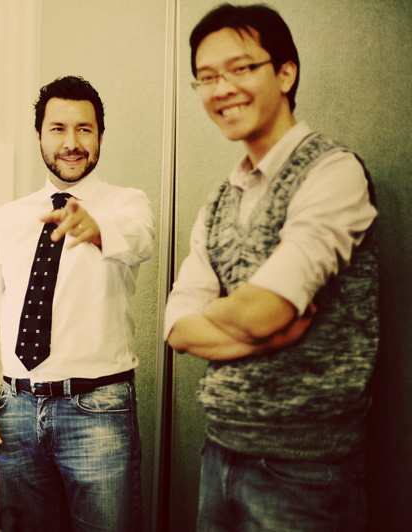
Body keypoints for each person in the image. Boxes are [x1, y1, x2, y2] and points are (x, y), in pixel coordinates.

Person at [164, 4, 379, 531]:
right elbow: (176, 328)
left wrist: (227, 312)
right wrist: (270, 337)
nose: (222, 89)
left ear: (285, 74)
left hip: (305, 470)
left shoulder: (332, 172)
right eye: (207, 77)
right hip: (218, 450)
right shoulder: (220, 199)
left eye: (240, 68)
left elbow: (263, 310)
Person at [0, 75, 155, 532]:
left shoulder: (125, 205)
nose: (71, 143)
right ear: (38, 134)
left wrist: (96, 229)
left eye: (84, 129)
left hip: (98, 412)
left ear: (100, 136)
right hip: (15, 413)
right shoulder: (7, 218)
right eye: (58, 128)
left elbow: (140, 241)